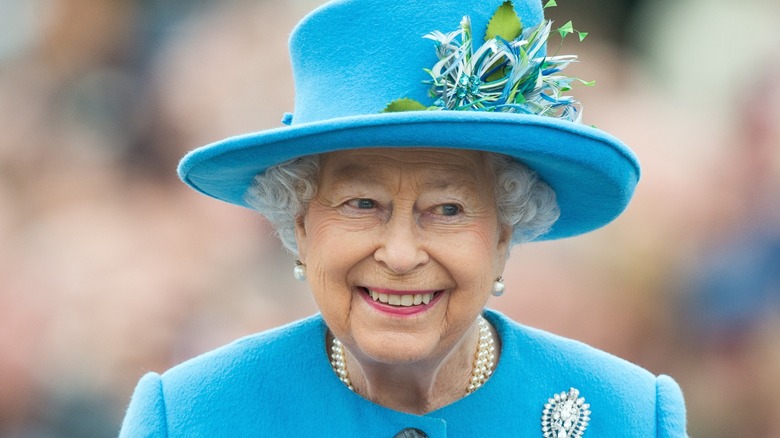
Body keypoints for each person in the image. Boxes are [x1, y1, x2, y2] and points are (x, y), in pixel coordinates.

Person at [120, 0, 688, 436]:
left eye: (447, 209)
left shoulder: (628, 415)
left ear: (503, 232)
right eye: (361, 204)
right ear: (300, 224)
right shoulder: (193, 415)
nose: (399, 254)